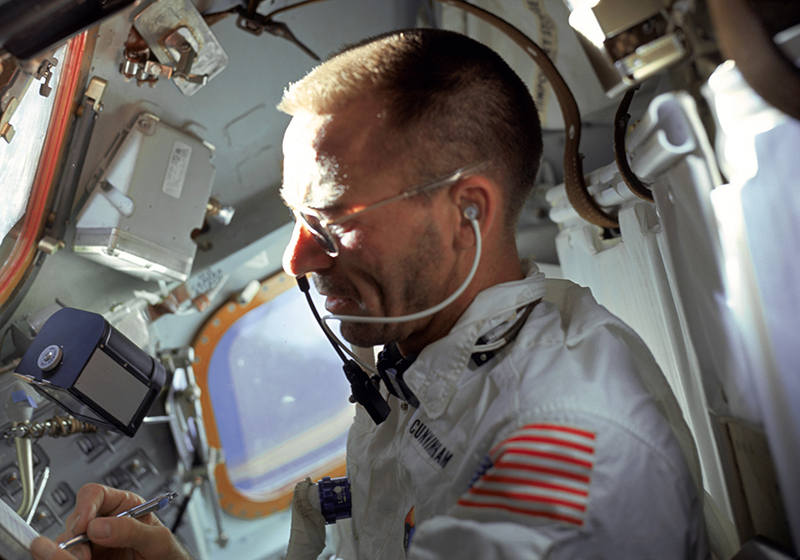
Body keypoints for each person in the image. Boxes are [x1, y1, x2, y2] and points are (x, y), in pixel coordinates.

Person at [31, 28, 707, 560]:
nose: (296, 257)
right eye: (295, 221)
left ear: (466, 214)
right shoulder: (430, 358)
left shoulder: (562, 454)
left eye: (327, 220)